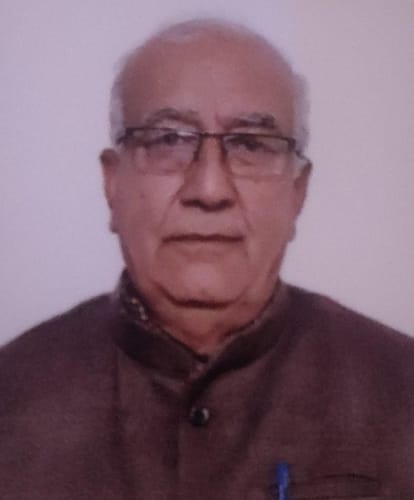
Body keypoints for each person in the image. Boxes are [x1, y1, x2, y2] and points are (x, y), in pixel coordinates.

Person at [1, 18, 413, 499]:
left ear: (297, 193)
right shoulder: (12, 400)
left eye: (250, 144)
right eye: (168, 140)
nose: (210, 189)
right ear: (112, 185)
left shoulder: (401, 394)